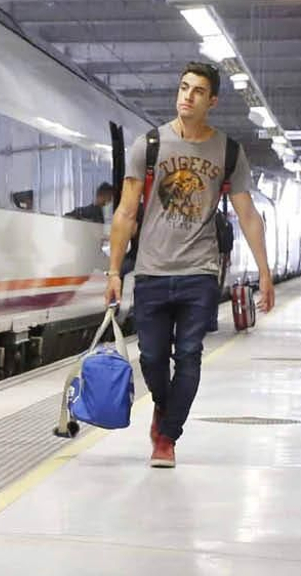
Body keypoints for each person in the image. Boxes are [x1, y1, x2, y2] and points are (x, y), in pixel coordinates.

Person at [105, 62, 274, 470]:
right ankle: (165, 409)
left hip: (199, 271)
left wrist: (265, 273)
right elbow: (126, 213)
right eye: (183, 88)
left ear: (212, 101)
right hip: (151, 270)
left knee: (191, 355)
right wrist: (113, 272)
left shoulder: (228, 151)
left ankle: (167, 438)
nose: (187, 96)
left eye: (198, 91)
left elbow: (247, 214)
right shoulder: (149, 144)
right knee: (151, 357)